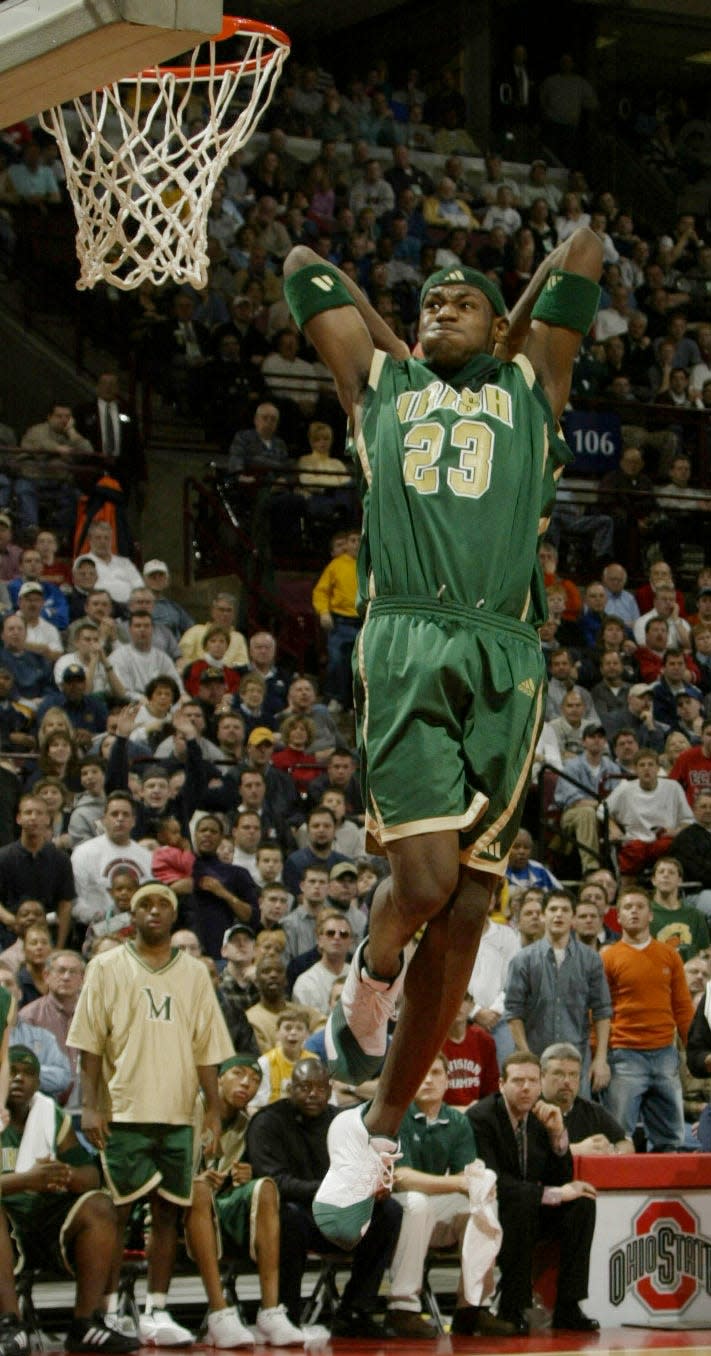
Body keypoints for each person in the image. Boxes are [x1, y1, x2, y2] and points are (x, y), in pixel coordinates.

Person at [281, 225, 603, 1244]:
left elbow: (589, 245)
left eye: (460, 304)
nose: (438, 314)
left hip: (508, 657)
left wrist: (509, 327)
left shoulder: (530, 391)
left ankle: (371, 1131)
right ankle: (369, 979)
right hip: (413, 636)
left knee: (466, 906)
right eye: (428, 306)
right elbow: (300, 266)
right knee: (419, 881)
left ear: (502, 322)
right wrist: (401, 342)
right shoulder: (382, 389)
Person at [68, 882, 233, 1346]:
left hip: (180, 1112)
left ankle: (156, 1310)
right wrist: (92, 1104)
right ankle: (110, 1308)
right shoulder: (105, 966)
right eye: (146, 905)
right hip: (124, 1110)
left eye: (164, 904)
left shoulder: (197, 974)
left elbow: (208, 1051)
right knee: (117, 1214)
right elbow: (90, 1045)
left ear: (175, 916)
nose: (155, 911)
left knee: (169, 1216)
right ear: (131, 914)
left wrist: (215, 1115)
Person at [247, 1058, 402, 1338]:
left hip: (337, 1210)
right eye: (304, 1087)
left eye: (320, 1088)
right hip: (292, 1215)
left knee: (389, 1211)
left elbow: (361, 1166)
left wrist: (372, 1185)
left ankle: (355, 1310)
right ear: (290, 1088)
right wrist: (332, 1189)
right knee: (289, 1216)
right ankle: (285, 1313)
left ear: (330, 1091)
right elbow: (274, 1182)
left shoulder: (342, 1122)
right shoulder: (268, 1121)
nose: (312, 1094)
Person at [0, 1045, 138, 1355]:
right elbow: (24, 1182)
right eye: (12, 1072)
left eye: (28, 1073)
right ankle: (10, 1323)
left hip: (46, 1222)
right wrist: (26, 1180)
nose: (19, 1079)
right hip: (7, 1228)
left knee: (101, 1205)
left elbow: (90, 1175)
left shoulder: (49, 1113)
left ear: (39, 1081)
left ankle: (84, 1323)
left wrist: (64, 1175)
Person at [183, 1054, 309, 1348]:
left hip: (220, 1208)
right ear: (217, 1079)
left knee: (265, 1187)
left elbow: (249, 1175)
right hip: (177, 1208)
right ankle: (219, 1312)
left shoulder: (248, 1123)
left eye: (254, 1080)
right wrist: (196, 1180)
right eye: (238, 1074)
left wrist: (245, 1173)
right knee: (199, 1191)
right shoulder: (189, 1109)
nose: (246, 1084)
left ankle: (270, 1311)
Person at [468, 1050, 598, 1333]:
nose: (526, 1087)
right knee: (522, 1205)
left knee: (582, 1205)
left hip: (529, 1206)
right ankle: (513, 1307)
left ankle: (568, 1306)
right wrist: (553, 1195)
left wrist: (557, 1133)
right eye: (517, 1081)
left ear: (540, 1084)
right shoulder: (482, 1117)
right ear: (501, 1084)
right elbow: (494, 1181)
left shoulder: (543, 1115)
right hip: (494, 1209)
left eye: (531, 1080)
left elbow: (560, 1176)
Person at [387, 1052, 511, 1338]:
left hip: (434, 1207)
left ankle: (473, 1306)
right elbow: (401, 1178)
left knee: (484, 1202)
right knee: (417, 1203)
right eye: (421, 1073)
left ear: (447, 1082)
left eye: (436, 1073)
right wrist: (459, 1183)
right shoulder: (396, 1115)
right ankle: (401, 1308)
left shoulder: (456, 1120)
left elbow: (467, 1176)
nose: (428, 1079)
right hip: (392, 1208)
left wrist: (476, 1181)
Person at [602, 885, 694, 1150]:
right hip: (624, 1055)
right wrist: (600, 1055)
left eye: (640, 907)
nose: (634, 912)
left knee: (671, 1137)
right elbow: (599, 1010)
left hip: (665, 1054)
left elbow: (683, 1007)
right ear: (617, 917)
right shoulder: (608, 957)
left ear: (650, 915)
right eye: (627, 908)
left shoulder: (670, 955)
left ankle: (670, 1189)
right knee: (620, 1137)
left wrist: (691, 1050)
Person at [504, 889, 612, 1091]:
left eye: (565, 910)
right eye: (553, 909)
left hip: (577, 1058)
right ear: (543, 915)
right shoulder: (522, 960)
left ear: (572, 917)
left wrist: (601, 1059)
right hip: (535, 1056)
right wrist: (527, 1058)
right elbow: (513, 1013)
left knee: (577, 1120)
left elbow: (602, 1011)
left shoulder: (591, 959)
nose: (559, 914)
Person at [539, 1042, 633, 1155]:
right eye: (559, 1074)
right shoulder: (529, 1110)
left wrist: (612, 1151)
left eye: (573, 1074)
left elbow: (626, 1144)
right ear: (542, 1076)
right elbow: (528, 1155)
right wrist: (577, 1150)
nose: (567, 1081)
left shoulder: (593, 1111)